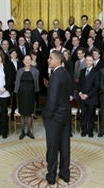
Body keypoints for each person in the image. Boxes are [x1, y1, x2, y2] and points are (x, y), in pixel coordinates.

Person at [42, 51, 73, 185]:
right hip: (66, 115)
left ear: (59, 61)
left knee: (53, 147)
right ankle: (65, 174)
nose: (48, 60)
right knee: (65, 145)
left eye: (51, 58)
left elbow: (53, 100)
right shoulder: (66, 73)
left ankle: (51, 176)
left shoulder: (55, 75)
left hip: (55, 117)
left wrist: (46, 116)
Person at [14, 55, 39, 139]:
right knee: (22, 113)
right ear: (23, 61)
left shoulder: (35, 71)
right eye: (26, 59)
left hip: (31, 94)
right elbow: (17, 82)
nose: (27, 61)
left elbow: (36, 84)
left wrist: (36, 92)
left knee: (29, 113)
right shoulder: (20, 71)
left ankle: (29, 131)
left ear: (31, 61)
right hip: (22, 94)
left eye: (29, 59)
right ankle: (22, 132)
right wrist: (16, 92)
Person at [78, 55, 100, 138]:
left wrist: (87, 95)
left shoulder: (96, 72)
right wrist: (80, 93)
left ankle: (90, 131)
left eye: (90, 60)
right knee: (83, 115)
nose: (88, 62)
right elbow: (79, 84)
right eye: (86, 60)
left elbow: (96, 86)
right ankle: (84, 131)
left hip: (92, 98)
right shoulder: (82, 71)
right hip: (82, 97)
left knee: (91, 116)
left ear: (93, 61)